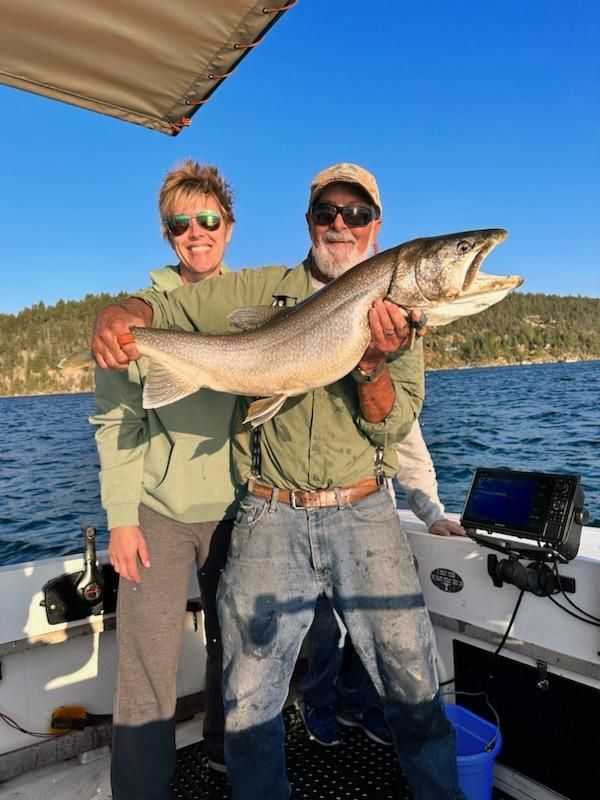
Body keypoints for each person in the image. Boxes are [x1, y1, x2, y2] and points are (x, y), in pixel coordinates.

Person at [91, 162, 467, 800]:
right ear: (310, 222)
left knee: (413, 685)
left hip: (364, 510)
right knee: (249, 704)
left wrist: (373, 362)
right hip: (270, 512)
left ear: (378, 227)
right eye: (328, 213)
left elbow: (391, 424)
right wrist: (120, 311)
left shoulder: (405, 317)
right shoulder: (262, 287)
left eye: (355, 214)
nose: (340, 225)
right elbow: (171, 300)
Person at [90, 159, 238, 800]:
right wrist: (121, 517)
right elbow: (115, 421)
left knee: (238, 650)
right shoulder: (132, 322)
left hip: (241, 507)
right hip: (158, 508)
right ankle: (140, 788)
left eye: (208, 219)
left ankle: (227, 755)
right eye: (181, 223)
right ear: (167, 234)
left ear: (228, 227)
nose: (196, 232)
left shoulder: (256, 304)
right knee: (146, 664)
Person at [299, 419, 465, 748]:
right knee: (326, 626)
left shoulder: (381, 383)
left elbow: (411, 451)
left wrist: (433, 514)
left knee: (375, 623)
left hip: (370, 518)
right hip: (307, 517)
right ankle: (318, 701)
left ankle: (358, 703)